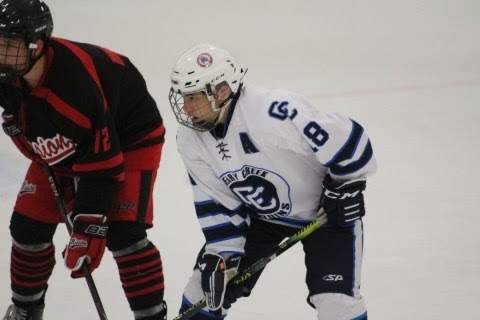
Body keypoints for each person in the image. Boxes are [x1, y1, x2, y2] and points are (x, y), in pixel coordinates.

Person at [168, 43, 377, 320]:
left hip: (326, 213)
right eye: (183, 97)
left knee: (335, 301)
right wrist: (222, 256)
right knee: (204, 291)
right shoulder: (190, 139)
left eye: (194, 97)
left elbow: (352, 142)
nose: (186, 106)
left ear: (222, 92)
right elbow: (215, 199)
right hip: (259, 218)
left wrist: (345, 186)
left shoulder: (271, 112)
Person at [0, 1, 167, 319]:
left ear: (37, 44)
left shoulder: (75, 88)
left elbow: (103, 165)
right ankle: (25, 311)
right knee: (27, 226)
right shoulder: (13, 70)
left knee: (122, 234)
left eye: (8, 44)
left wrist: (89, 227)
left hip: (129, 135)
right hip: (66, 135)